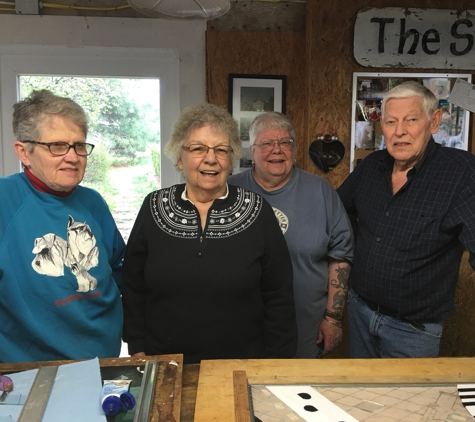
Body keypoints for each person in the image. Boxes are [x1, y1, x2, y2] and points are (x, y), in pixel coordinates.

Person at [121, 104, 298, 364]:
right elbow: (133, 285)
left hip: (242, 364)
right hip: (165, 363)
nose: (211, 159)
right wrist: (136, 347)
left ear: (231, 159)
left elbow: (278, 293)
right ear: (180, 158)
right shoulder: (153, 207)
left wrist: (276, 360)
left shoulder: (257, 211)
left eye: (221, 150)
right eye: (198, 148)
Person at [337, 81, 475, 358]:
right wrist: (355, 245)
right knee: (361, 398)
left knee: (408, 401)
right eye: (391, 121)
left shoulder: (461, 173)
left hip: (412, 330)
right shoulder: (371, 167)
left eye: (411, 120)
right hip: (360, 310)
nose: (399, 131)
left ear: (434, 122)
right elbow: (338, 211)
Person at [0, 89, 125, 363]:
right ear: (24, 151)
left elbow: (118, 265)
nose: (73, 157)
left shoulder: (93, 201)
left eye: (79, 145)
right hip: (29, 370)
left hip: (104, 360)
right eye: (57, 145)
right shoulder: (4, 200)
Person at [229, 112, 353, 358]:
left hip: (306, 331)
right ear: (252, 152)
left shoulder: (320, 191)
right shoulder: (230, 191)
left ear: (294, 150)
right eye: (266, 143)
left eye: (284, 142)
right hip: (239, 329)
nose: (277, 150)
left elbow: (341, 255)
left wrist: (333, 318)